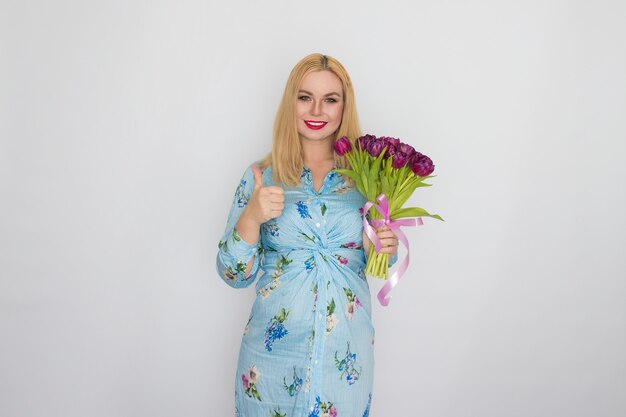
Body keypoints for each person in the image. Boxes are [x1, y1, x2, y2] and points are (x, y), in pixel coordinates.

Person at [216, 53, 398, 417]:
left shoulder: (368, 180)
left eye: (330, 99)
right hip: (270, 364)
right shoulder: (261, 176)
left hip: (344, 364)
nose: (317, 109)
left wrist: (383, 245)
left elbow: (382, 264)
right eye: (305, 97)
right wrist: (251, 217)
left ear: (344, 106)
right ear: (290, 102)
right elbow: (233, 274)